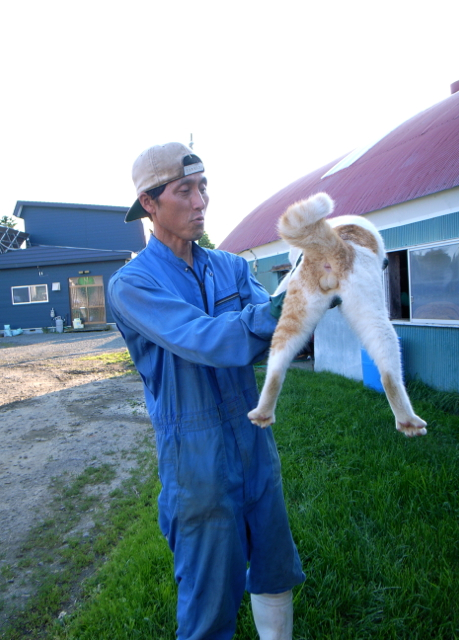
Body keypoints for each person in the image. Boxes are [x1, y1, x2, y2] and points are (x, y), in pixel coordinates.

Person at [108, 142, 305, 640]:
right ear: (149, 204)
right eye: (184, 191)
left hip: (255, 442)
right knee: (208, 607)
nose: (200, 202)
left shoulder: (231, 267)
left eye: (203, 187)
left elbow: (273, 339)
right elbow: (206, 338)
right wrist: (289, 303)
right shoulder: (132, 284)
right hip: (196, 464)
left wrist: (309, 294)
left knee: (274, 568)